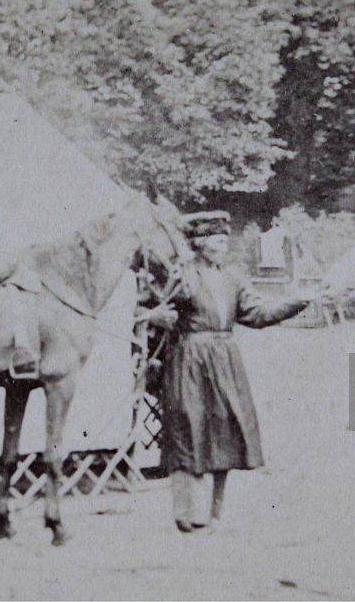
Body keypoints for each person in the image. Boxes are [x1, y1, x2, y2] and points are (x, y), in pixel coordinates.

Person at [147, 210, 311, 533]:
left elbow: (258, 313)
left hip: (224, 359)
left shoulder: (233, 277)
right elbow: (151, 307)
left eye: (225, 239)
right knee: (188, 426)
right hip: (189, 357)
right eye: (217, 240)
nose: (224, 245)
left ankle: (214, 512)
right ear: (200, 243)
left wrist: (298, 301)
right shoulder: (183, 274)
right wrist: (155, 316)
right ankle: (186, 512)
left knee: (225, 427)